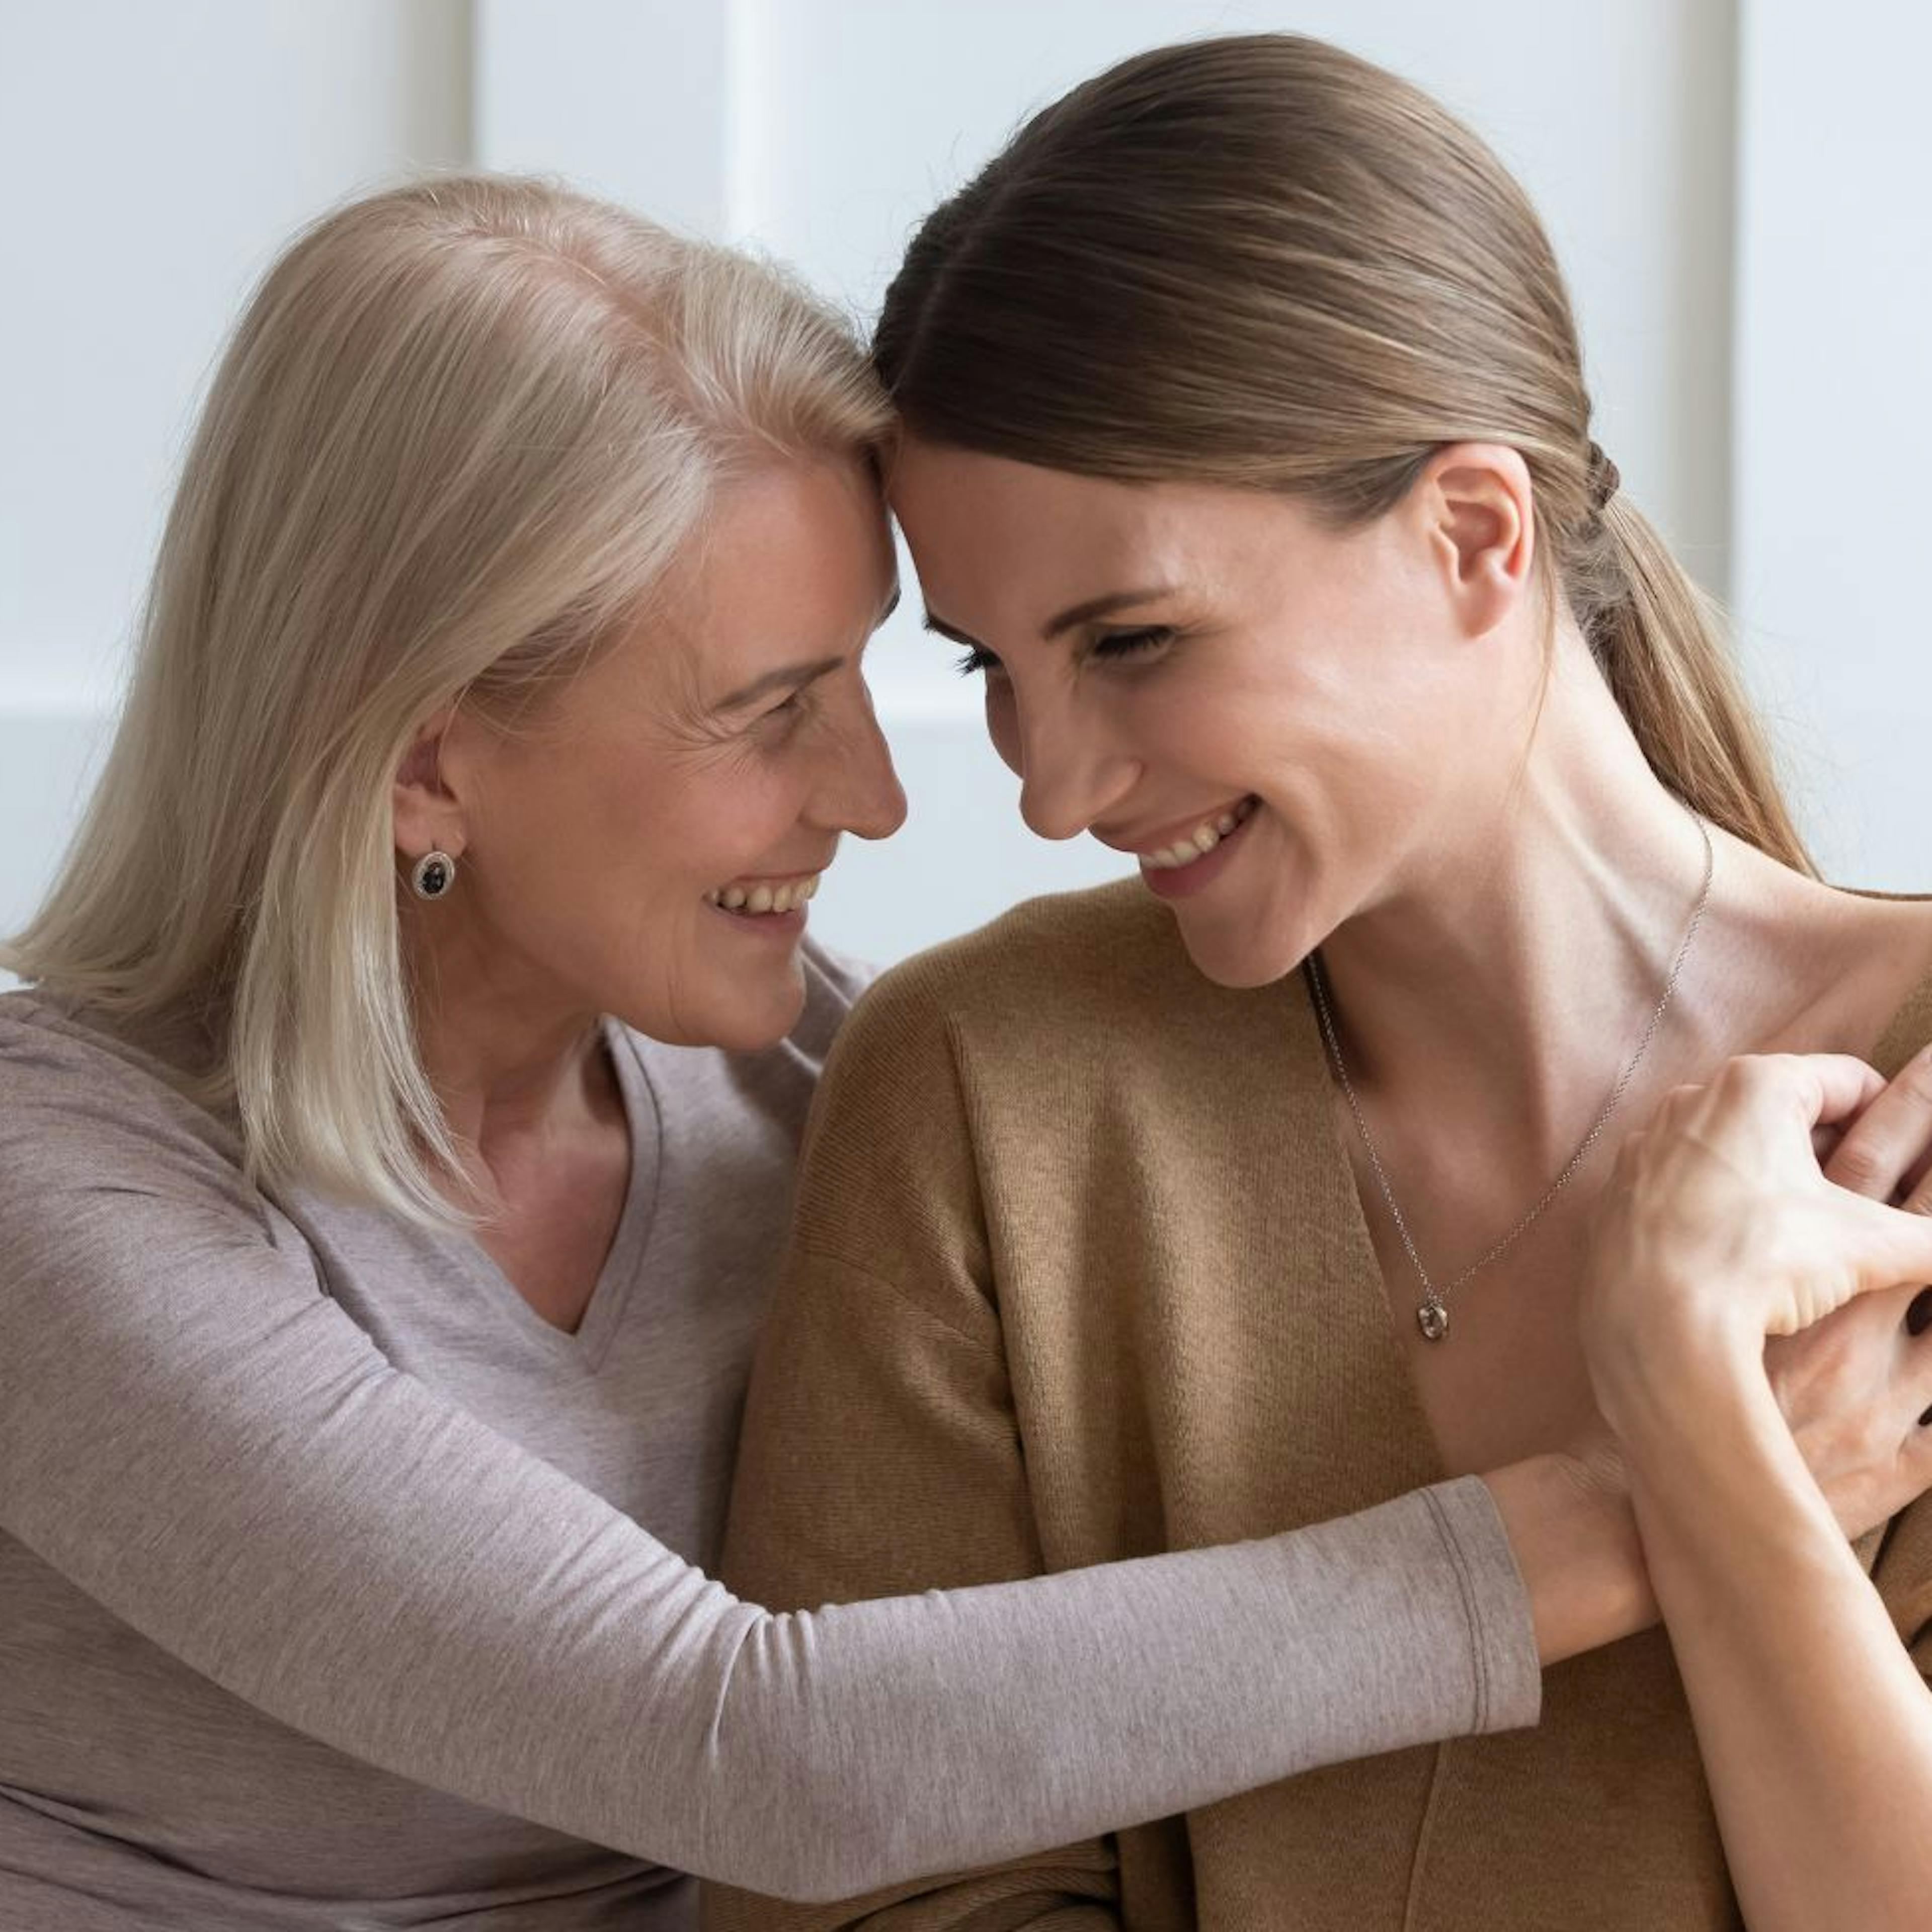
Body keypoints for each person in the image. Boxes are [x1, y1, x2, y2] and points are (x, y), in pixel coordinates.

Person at [0, 173, 1709, 1932]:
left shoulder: (818, 1072)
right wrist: (1647, 1503)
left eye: (870, 680)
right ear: (429, 764)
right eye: (769, 712)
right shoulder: (51, 1196)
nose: (877, 803)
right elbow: (756, 1754)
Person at [704, 34, 1932, 1932]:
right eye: (991, 667)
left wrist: (1697, 1417)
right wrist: (1669, 1472)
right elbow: (863, 1888)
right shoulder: (988, 1093)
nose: (1049, 788)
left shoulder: (1916, 1084)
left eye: (1130, 639)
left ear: (1473, 535)